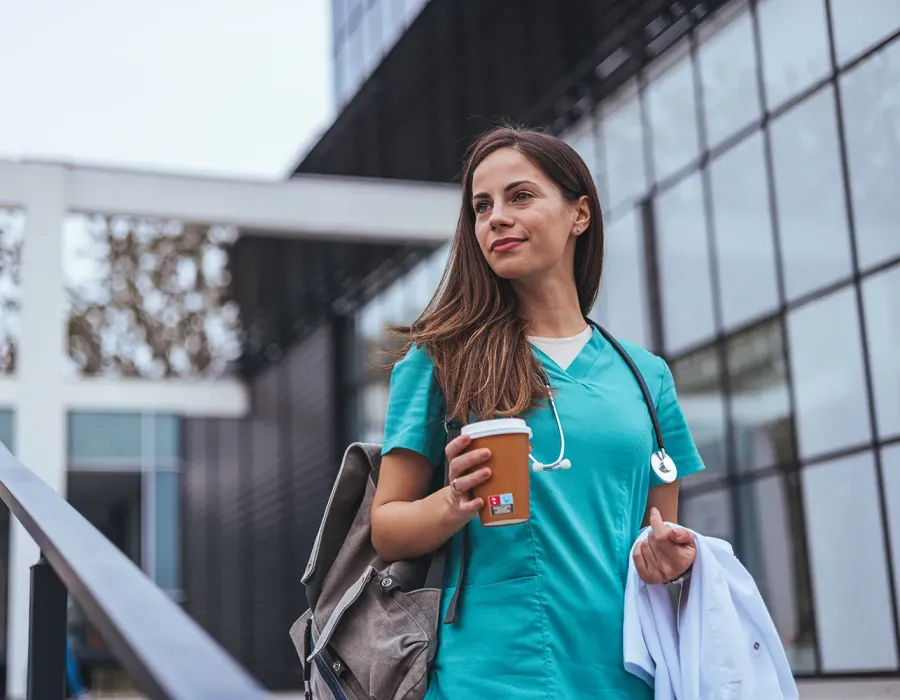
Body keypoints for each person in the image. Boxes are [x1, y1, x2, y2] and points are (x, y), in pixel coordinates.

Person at [370, 124, 705, 699]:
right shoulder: (439, 361)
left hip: (625, 677)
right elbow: (388, 530)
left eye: (519, 196)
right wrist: (454, 500)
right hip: (490, 677)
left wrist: (669, 560)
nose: (495, 217)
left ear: (580, 214)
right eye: (481, 206)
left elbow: (657, 539)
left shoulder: (646, 377)